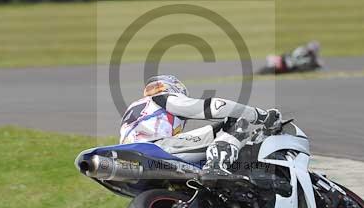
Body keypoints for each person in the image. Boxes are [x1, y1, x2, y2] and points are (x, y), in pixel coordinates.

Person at [120, 75, 281, 177]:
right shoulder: (164, 98)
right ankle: (215, 167)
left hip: (128, 155)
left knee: (217, 131)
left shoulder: (136, 107)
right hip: (156, 148)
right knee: (237, 124)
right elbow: (215, 107)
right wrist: (260, 115)